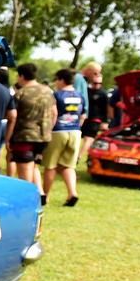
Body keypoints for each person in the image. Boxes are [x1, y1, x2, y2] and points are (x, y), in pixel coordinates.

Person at [9, 63, 56, 202]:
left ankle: (26, 200)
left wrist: (8, 137)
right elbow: (55, 113)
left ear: (21, 76)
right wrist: (48, 129)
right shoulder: (48, 91)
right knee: (32, 165)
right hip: (44, 137)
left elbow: (13, 117)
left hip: (24, 137)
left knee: (24, 173)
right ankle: (40, 193)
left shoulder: (21, 93)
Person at [45, 68, 85, 206]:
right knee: (69, 166)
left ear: (61, 79)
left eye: (56, 79)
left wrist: (48, 131)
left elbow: (53, 114)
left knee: (51, 166)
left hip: (58, 132)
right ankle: (72, 193)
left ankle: (45, 196)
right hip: (75, 131)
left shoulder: (57, 95)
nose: (55, 82)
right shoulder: (80, 95)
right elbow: (83, 116)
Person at [80, 72, 110, 161]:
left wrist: (105, 122)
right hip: (84, 118)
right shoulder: (86, 91)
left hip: (96, 120)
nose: (97, 85)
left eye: (99, 83)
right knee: (79, 138)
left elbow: (106, 109)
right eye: (95, 83)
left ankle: (79, 156)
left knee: (89, 138)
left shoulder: (103, 94)